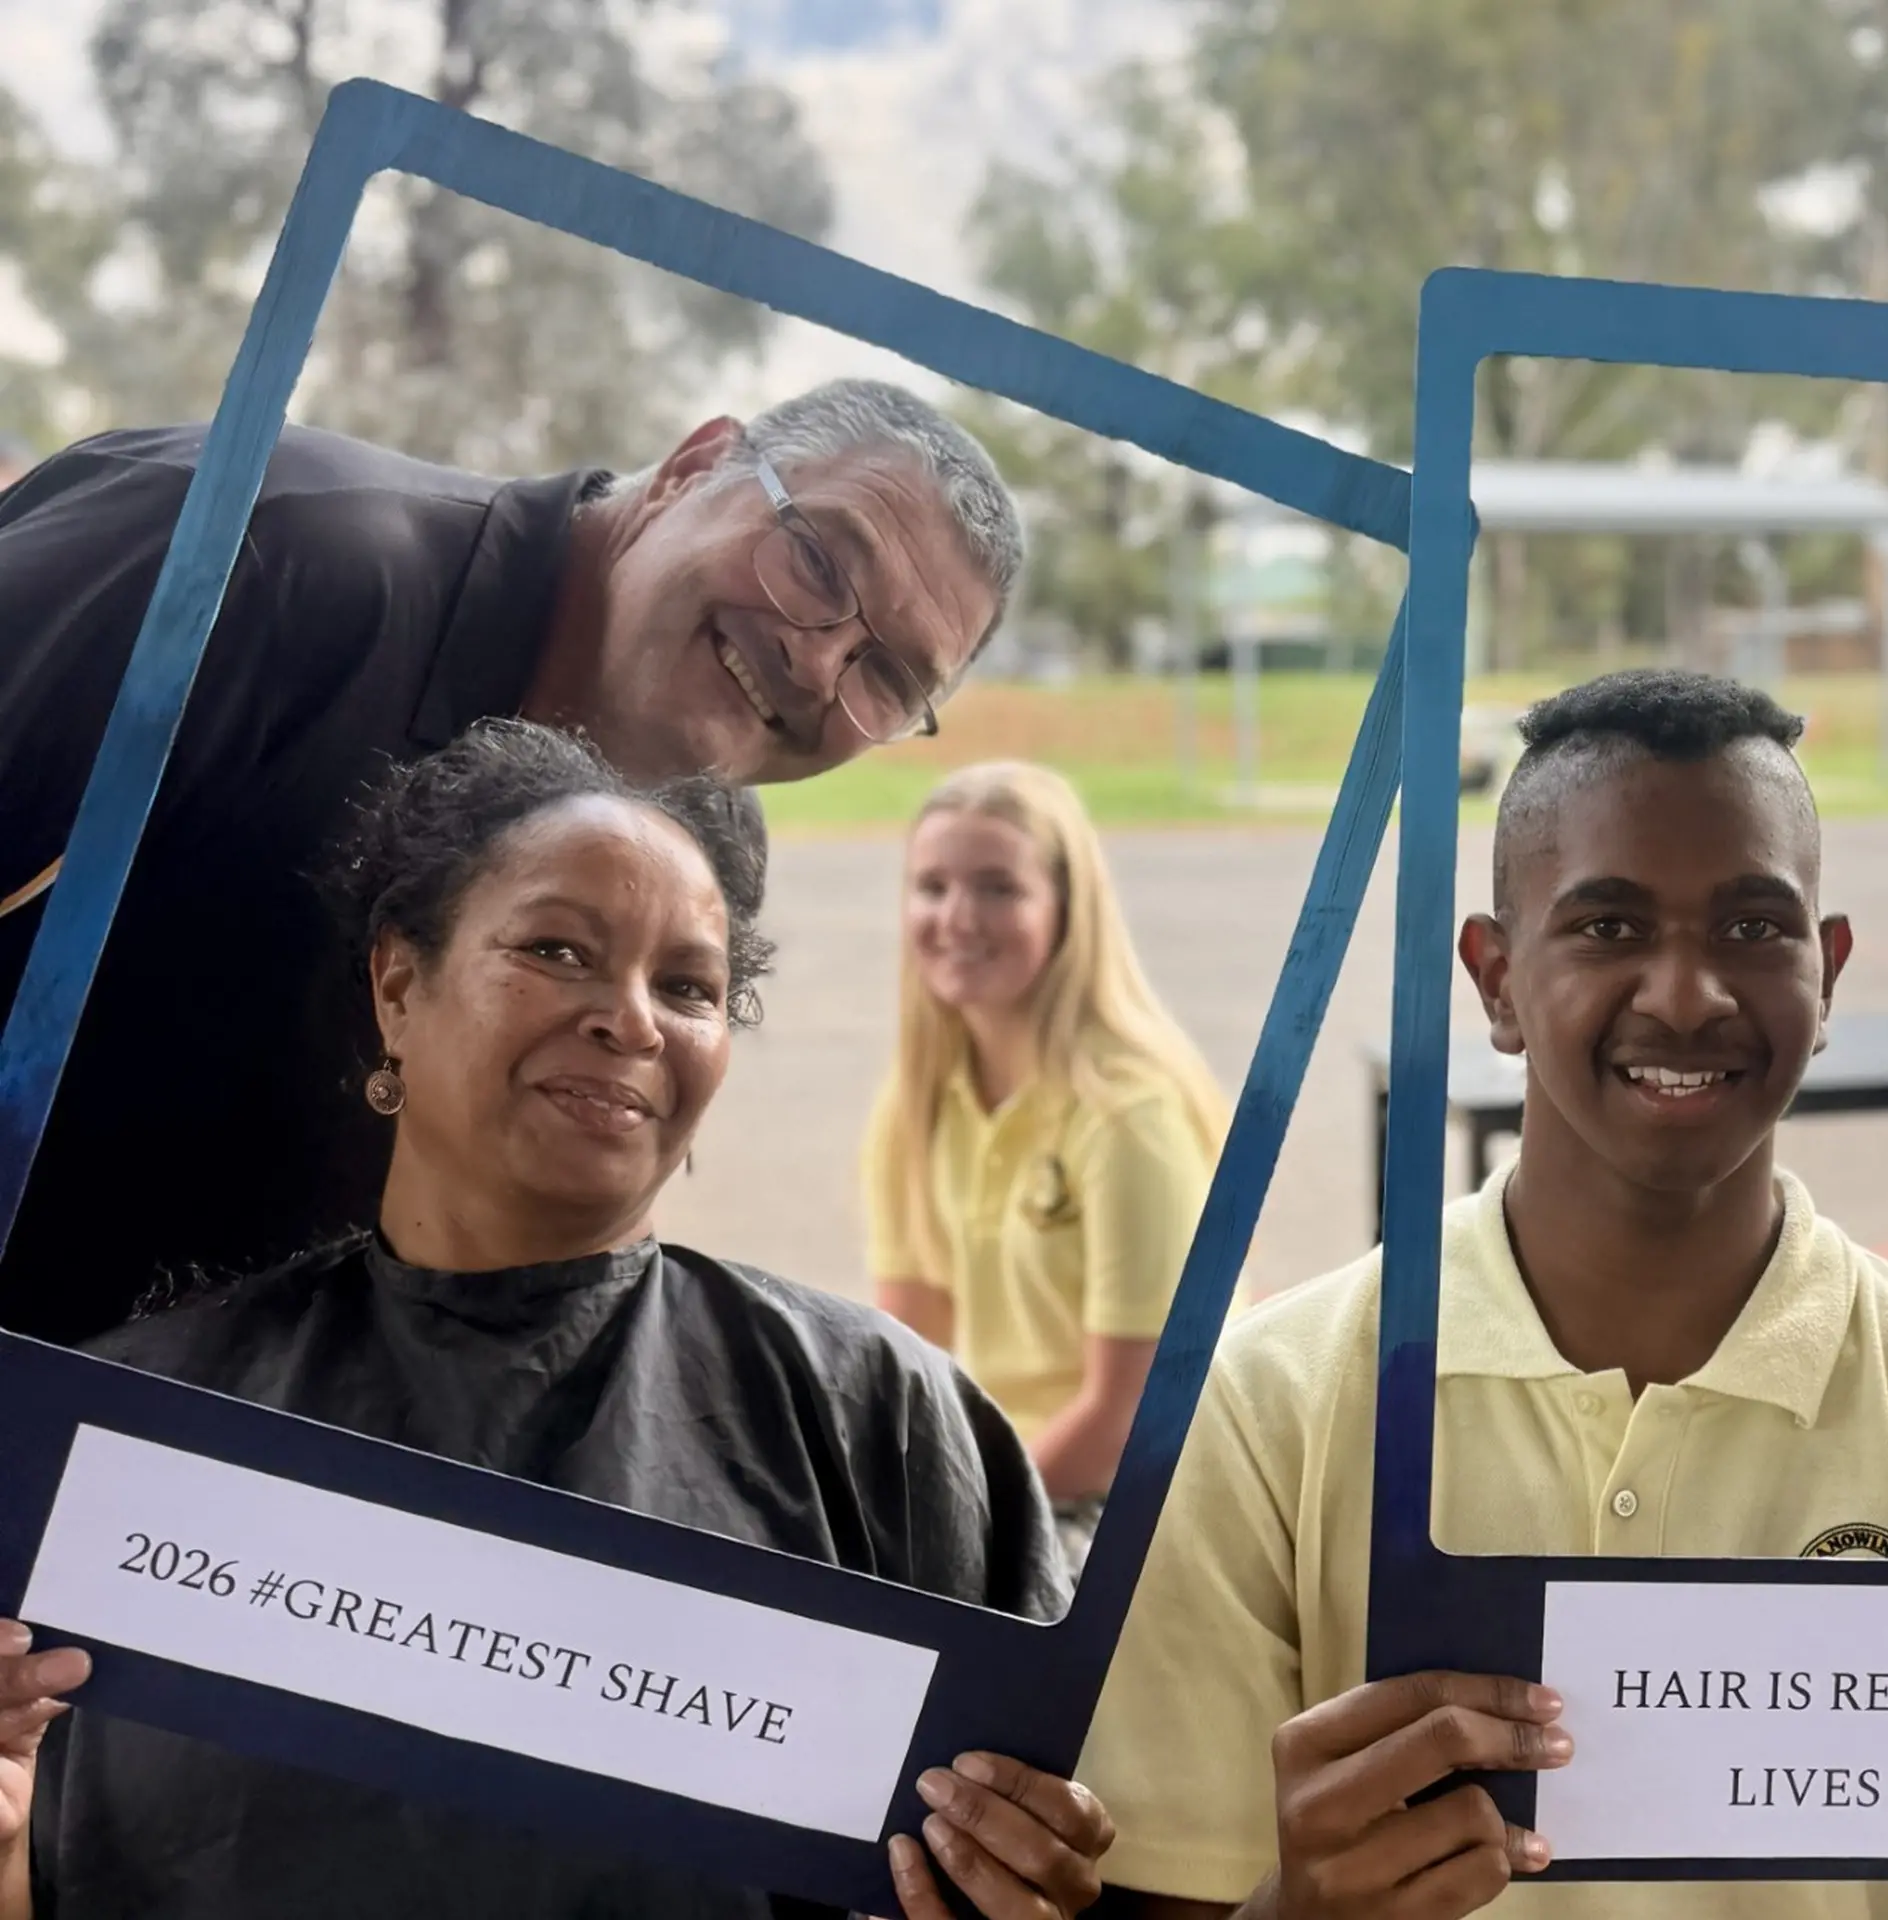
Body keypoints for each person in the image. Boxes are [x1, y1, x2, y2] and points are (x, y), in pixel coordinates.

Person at [1073, 669, 1888, 1920]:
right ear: (1496, 979)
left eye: (1752, 927)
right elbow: (1161, 1887)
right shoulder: (1269, 1407)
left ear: (1827, 974)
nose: (1686, 995)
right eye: (1609, 928)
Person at [0, 721, 1109, 1920]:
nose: (631, 1019)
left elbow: (1043, 1852)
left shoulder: (877, 1419)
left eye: (687, 986)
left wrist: (1037, 1881)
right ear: (398, 987)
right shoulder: (125, 1439)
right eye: (558, 950)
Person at [0, 379, 1021, 1347]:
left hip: (213, 1483)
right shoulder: (261, 556)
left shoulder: (700, 853)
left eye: (885, 674)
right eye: (817, 562)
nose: (816, 659)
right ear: (695, 466)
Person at [862, 761, 1227, 1564]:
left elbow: (1125, 1415)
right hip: (995, 1484)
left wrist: (956, 1528)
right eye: (932, 887)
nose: (958, 918)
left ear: (1068, 910)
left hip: (1127, 1508)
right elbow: (908, 1360)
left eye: (998, 888)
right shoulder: (918, 1099)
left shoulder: (1130, 1115)